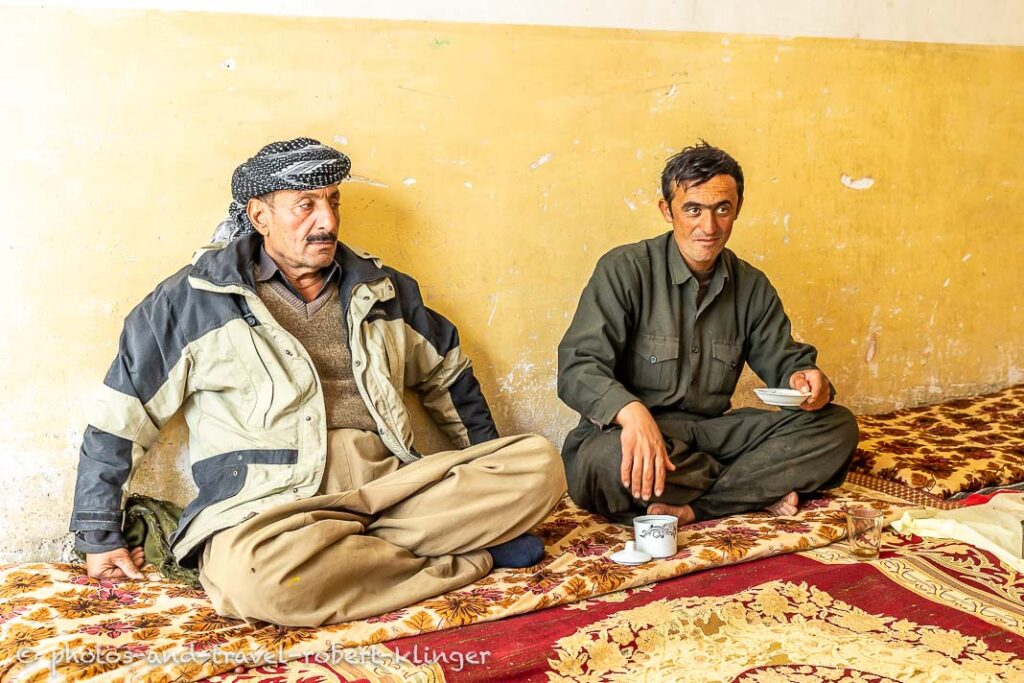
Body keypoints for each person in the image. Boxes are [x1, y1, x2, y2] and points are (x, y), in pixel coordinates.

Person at [69, 137, 565, 627]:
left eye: (332, 203)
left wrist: (487, 475)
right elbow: (121, 418)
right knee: (255, 581)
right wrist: (98, 533)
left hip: (389, 488)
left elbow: (448, 377)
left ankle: (357, 555)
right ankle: (467, 558)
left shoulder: (382, 288)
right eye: (305, 205)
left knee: (540, 465)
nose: (326, 221)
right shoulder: (189, 300)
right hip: (271, 506)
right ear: (259, 216)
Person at [557, 141, 857, 528]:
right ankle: (753, 486)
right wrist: (632, 414)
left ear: (738, 208)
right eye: (693, 209)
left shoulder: (751, 286)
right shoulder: (624, 270)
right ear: (667, 211)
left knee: (837, 427)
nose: (709, 227)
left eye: (722, 209)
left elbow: (785, 362)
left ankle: (697, 507)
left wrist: (806, 380)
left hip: (713, 433)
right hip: (629, 434)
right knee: (604, 464)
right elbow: (577, 367)